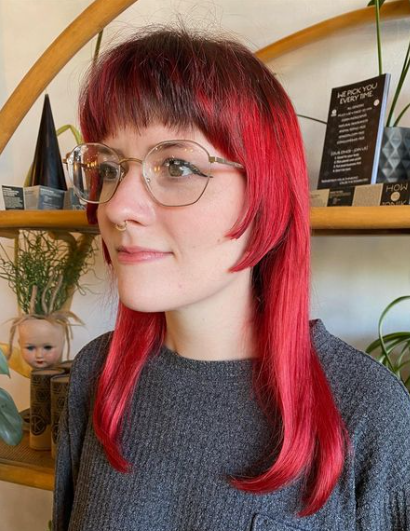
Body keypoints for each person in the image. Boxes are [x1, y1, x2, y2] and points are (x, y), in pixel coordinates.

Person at [53, 26, 410, 531]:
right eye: (108, 168)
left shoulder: (368, 413)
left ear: (266, 193)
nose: (117, 207)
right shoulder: (98, 375)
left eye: (176, 165)